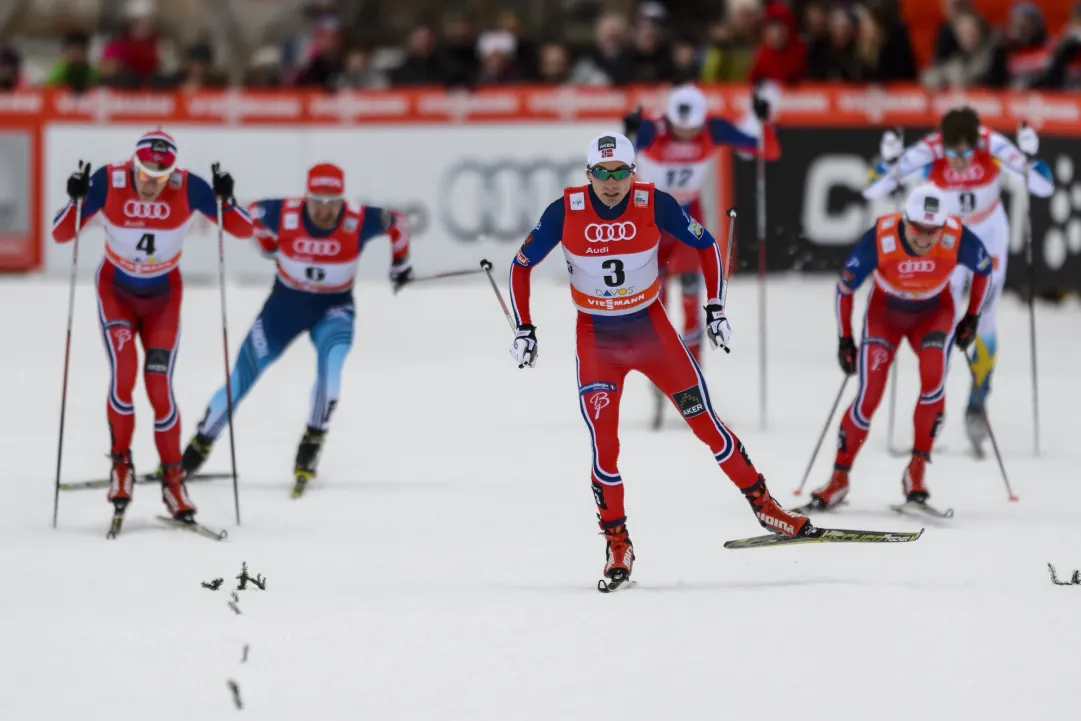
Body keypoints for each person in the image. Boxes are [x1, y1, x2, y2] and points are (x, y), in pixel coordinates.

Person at [507, 132, 811, 591]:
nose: (611, 183)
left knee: (706, 423)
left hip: (651, 333)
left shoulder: (654, 202)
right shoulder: (564, 211)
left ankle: (765, 506)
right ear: (588, 174)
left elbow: (707, 245)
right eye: (602, 173)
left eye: (621, 173)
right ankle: (617, 545)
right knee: (605, 446)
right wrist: (524, 327)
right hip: (597, 341)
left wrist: (716, 307)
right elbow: (520, 264)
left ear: (634, 172)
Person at [51, 130, 252, 523]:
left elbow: (243, 230)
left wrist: (227, 199)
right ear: (133, 164)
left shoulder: (189, 186)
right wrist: (74, 198)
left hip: (163, 297)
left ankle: (173, 480)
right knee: (124, 376)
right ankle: (121, 466)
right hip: (117, 292)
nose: (150, 184)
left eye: (161, 178)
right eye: (144, 174)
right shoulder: (109, 181)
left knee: (159, 387)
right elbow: (61, 234)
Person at [181, 163, 413, 497]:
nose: (324, 209)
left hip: (334, 311)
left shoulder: (359, 218)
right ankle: (199, 445)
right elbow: (248, 217)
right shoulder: (282, 211)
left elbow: (399, 224)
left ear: (342, 200)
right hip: (283, 309)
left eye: (332, 201)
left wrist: (401, 264)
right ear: (306, 197)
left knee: (331, 378)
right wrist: (265, 242)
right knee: (242, 377)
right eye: (317, 200)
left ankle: (312, 440)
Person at [863, 107, 1053, 455]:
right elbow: (874, 190)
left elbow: (1043, 186)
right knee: (942, 321)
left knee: (986, 319)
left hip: (989, 234)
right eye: (953, 153)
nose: (960, 160)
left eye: (966, 153)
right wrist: (887, 159)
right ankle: (934, 407)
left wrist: (1030, 156)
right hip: (947, 238)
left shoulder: (991, 143)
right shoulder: (930, 149)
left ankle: (978, 400)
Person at [808, 185, 992, 514]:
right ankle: (838, 479)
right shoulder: (880, 238)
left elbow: (984, 269)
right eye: (918, 229)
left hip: (934, 314)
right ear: (905, 220)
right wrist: (844, 339)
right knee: (869, 394)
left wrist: (972, 318)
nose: (924, 238)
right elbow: (844, 288)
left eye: (932, 231)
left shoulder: (956, 237)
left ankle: (916, 472)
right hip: (886, 316)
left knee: (933, 380)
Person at [623, 84, 778, 428]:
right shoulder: (654, 127)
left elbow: (767, 151)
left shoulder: (714, 128)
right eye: (682, 127)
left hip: (687, 218)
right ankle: (659, 376)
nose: (687, 134)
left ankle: (692, 377)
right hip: (648, 219)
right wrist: (629, 130)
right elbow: (622, 160)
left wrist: (762, 121)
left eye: (693, 127)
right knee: (655, 303)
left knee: (695, 298)